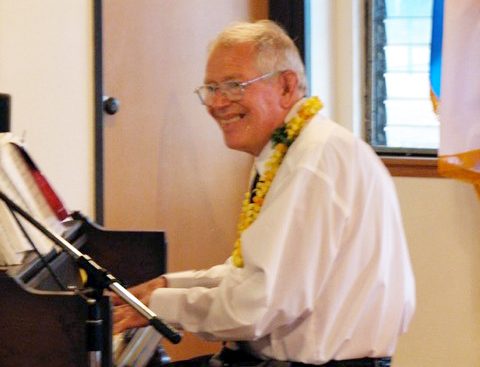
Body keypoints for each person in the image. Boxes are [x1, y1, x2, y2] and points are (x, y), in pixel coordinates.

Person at [113, 20, 415, 367]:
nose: (217, 103)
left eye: (234, 85)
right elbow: (254, 274)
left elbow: (258, 305)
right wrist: (166, 285)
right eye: (210, 88)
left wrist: (162, 304)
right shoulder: (290, 151)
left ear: (286, 86)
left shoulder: (313, 162)